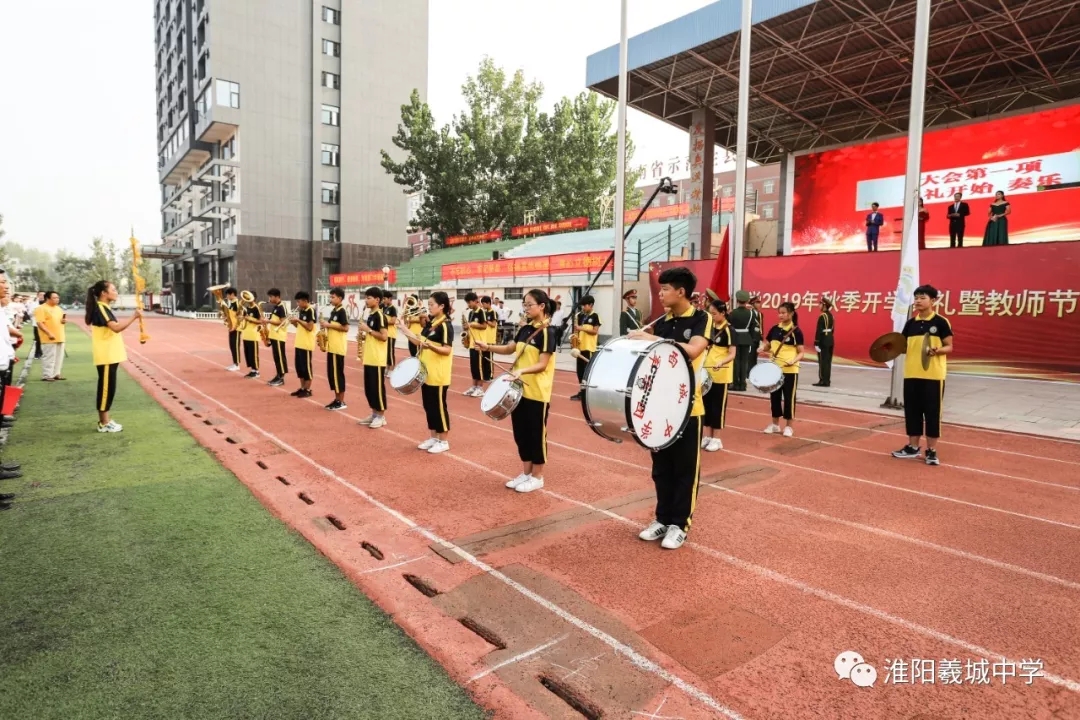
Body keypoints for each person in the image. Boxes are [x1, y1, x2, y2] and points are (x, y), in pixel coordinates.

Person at [630, 267, 711, 550]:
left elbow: (693, 350)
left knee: (685, 470)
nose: (661, 293)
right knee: (661, 470)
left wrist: (652, 340)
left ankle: (680, 524)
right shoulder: (662, 322)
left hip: (689, 409)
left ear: (681, 291)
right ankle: (662, 519)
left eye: (665, 289)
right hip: (660, 408)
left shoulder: (702, 318)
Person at [474, 289, 556, 494]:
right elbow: (512, 348)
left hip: (536, 391)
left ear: (542, 306)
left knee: (536, 435)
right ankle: (526, 473)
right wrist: (488, 347)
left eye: (529, 305)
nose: (526, 308)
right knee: (521, 434)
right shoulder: (525, 329)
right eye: (524, 305)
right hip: (518, 390)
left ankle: (538, 476)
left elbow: (543, 364)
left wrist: (522, 370)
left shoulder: (547, 332)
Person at [892, 285, 954, 466]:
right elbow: (902, 346)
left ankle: (931, 450)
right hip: (911, 373)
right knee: (912, 411)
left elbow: (949, 346)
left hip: (933, 375)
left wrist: (937, 350)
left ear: (933, 300)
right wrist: (888, 348)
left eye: (922, 297)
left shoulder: (941, 322)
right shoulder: (910, 323)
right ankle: (912, 447)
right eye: (916, 297)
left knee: (932, 413)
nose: (918, 301)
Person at [399, 292, 454, 454]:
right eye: (428, 304)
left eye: (431, 304)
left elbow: (447, 349)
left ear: (442, 306)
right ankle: (433, 437)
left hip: (438, 374)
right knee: (428, 406)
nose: (428, 307)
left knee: (438, 407)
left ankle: (443, 440)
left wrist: (433, 347)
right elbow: (418, 341)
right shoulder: (431, 323)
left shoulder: (445, 325)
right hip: (426, 372)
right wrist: (402, 327)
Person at [85, 280, 142, 433]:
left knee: (109, 388)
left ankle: (106, 420)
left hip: (111, 355)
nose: (116, 292)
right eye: (113, 289)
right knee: (105, 389)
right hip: (106, 356)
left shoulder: (104, 308)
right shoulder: (101, 307)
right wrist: (134, 317)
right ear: (104, 293)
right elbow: (116, 328)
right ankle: (103, 423)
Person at [759, 301, 804, 437]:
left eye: (784, 313)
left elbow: (801, 352)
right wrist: (761, 348)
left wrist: (793, 360)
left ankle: (789, 427)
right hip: (775, 370)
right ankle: (775, 424)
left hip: (790, 370)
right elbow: (768, 346)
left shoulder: (796, 331)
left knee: (789, 397)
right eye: (779, 313)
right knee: (775, 397)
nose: (781, 315)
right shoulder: (774, 329)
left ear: (791, 314)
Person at [702, 299, 735, 452]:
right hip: (707, 373)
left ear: (723, 313)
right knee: (706, 405)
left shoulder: (729, 329)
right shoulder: (710, 328)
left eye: (714, 314)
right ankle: (708, 436)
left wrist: (721, 362)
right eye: (710, 313)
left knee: (718, 407)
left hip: (721, 374)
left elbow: (732, 354)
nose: (712, 316)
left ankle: (717, 438)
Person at [357, 286, 389, 428]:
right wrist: (363, 335)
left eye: (369, 298)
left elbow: (384, 336)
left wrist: (368, 330)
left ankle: (381, 416)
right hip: (369, 357)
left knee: (377, 388)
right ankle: (374, 413)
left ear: (377, 300)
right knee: (369, 388)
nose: (366, 300)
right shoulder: (370, 315)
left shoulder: (380, 316)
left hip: (377, 358)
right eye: (365, 297)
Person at [321, 287, 349, 410]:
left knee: (338, 375)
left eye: (333, 297)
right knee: (332, 375)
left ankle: (341, 401)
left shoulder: (342, 311)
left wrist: (328, 325)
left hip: (338, 348)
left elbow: (346, 328)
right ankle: (336, 399)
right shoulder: (334, 311)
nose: (331, 299)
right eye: (330, 297)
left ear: (340, 298)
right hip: (332, 347)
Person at [569, 295, 600, 401]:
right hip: (579, 348)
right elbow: (576, 331)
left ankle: (588, 393)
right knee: (580, 371)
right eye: (582, 306)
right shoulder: (579, 316)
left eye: (585, 306)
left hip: (589, 348)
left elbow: (595, 331)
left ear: (591, 305)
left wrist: (581, 328)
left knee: (588, 372)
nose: (583, 308)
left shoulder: (595, 316)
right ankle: (582, 392)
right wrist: (574, 339)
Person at [463, 292, 492, 398]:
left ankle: (480, 388)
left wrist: (472, 324)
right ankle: (474, 386)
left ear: (475, 301)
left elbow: (484, 326)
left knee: (479, 367)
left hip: (480, 343)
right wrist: (466, 329)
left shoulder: (481, 312)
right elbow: (471, 327)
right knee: (473, 367)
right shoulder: (470, 313)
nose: (468, 305)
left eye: (469, 302)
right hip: (472, 343)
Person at [34, 291, 67, 381]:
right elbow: (40, 323)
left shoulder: (59, 309)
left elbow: (60, 321)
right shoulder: (41, 308)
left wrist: (63, 321)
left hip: (60, 335)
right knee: (49, 356)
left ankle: (56, 373)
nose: (57, 299)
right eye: (55, 298)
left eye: (58, 298)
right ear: (47, 298)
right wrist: (49, 333)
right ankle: (47, 375)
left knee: (59, 357)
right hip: (48, 337)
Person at [290, 291, 316, 398]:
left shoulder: (310, 310)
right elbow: (300, 326)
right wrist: (294, 323)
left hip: (306, 344)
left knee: (306, 368)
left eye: (299, 301)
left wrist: (298, 320)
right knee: (299, 367)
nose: (297, 304)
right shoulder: (302, 310)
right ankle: (302, 388)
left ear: (305, 301)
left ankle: (308, 389)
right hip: (299, 343)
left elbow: (309, 327)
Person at [728, 290, 754, 391]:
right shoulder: (751, 314)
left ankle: (735, 383)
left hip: (735, 338)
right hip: (746, 338)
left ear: (737, 300)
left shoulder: (733, 313)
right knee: (744, 362)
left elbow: (729, 326)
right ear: (747, 300)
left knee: (736, 361)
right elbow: (752, 328)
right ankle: (743, 384)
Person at [263, 288, 289, 387]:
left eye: (271, 297)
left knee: (280, 357)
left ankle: (281, 377)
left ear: (277, 297)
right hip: (274, 335)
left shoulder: (281, 307)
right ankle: (278, 375)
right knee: (276, 357)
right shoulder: (276, 307)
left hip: (279, 336)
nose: (269, 299)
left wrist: (268, 321)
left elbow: (283, 322)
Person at [813, 296, 835, 388]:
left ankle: (823, 380)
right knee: (828, 361)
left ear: (824, 305)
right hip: (830, 339)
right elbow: (833, 329)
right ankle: (827, 380)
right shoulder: (831, 316)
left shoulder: (822, 316)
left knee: (822, 361)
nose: (819, 305)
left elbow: (819, 330)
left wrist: (816, 342)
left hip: (823, 340)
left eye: (820, 304)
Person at [240, 291, 262, 378]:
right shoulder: (247, 308)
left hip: (253, 334)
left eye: (248, 297)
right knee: (248, 353)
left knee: (253, 354)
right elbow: (244, 317)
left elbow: (261, 321)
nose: (247, 299)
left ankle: (256, 371)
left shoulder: (257, 307)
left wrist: (250, 319)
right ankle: (252, 370)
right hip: (246, 333)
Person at [224, 287, 241, 371]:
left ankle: (237, 364)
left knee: (235, 346)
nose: (227, 296)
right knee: (232, 346)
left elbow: (240, 317)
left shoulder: (237, 303)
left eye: (228, 294)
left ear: (232, 294)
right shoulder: (231, 303)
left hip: (236, 328)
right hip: (231, 327)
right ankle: (234, 363)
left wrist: (235, 327)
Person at [382, 290, 399, 368]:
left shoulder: (393, 309)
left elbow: (393, 321)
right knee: (385, 352)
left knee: (390, 352)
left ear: (390, 299)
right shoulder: (382, 307)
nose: (384, 300)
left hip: (391, 334)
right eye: (383, 298)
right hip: (384, 333)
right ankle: (387, 367)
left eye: (385, 298)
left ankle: (391, 368)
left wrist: (381, 322)